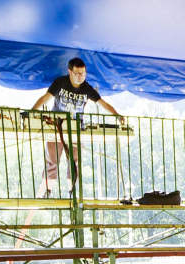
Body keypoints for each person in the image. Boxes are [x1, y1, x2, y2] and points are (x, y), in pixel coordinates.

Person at [28, 57, 123, 195]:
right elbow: (45, 98)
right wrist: (32, 112)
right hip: (56, 126)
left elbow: (103, 103)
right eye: (77, 73)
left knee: (74, 161)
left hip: (76, 128)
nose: (80, 77)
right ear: (70, 72)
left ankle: (72, 190)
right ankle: (47, 189)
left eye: (83, 74)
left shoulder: (87, 88)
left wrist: (117, 115)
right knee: (52, 160)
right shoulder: (60, 83)